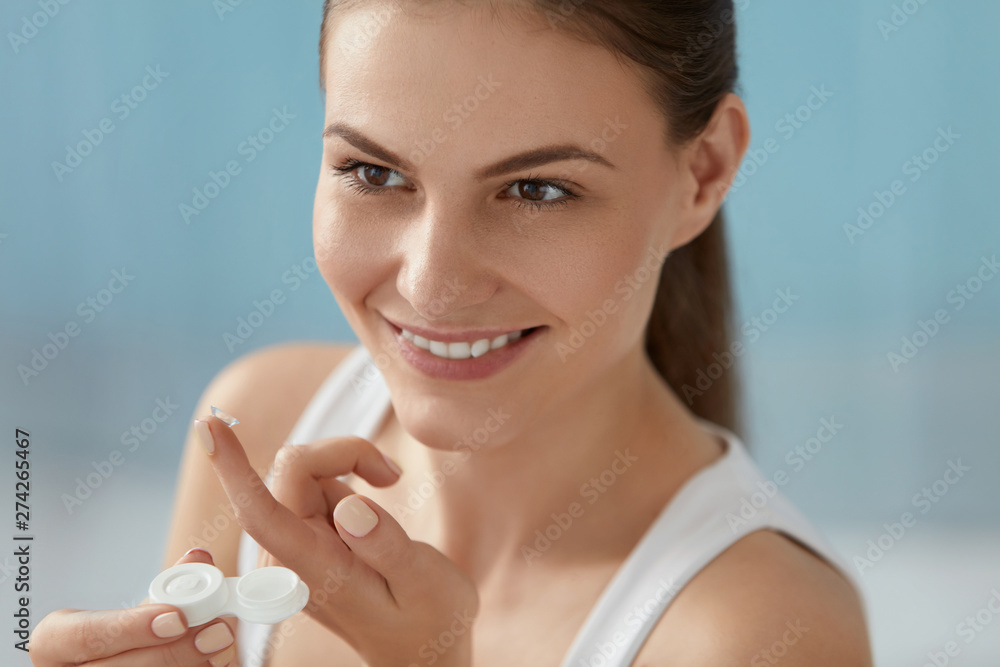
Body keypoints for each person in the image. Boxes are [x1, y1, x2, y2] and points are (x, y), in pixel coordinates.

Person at [29, 1, 874, 665]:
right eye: (373, 172)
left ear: (704, 171)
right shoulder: (260, 424)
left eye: (538, 190)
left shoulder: (763, 631)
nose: (430, 285)